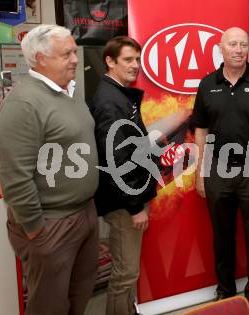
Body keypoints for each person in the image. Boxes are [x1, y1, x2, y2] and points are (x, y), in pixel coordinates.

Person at [0, 25, 99, 315]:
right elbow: (15, 177)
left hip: (83, 214)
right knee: (49, 306)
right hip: (51, 224)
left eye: (74, 52)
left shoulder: (70, 92)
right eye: (67, 54)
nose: (75, 59)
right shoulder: (23, 103)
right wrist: (36, 231)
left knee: (79, 295)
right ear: (40, 59)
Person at [192, 27, 249, 315]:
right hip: (218, 170)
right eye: (233, 44)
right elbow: (201, 131)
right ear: (221, 47)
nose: (238, 49)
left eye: (243, 44)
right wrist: (200, 172)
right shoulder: (207, 85)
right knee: (222, 235)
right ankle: (226, 291)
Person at [89, 36, 157, 315]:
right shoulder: (109, 101)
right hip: (124, 204)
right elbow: (114, 159)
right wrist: (134, 206)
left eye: (137, 59)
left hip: (130, 196)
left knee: (127, 271)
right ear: (110, 61)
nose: (135, 65)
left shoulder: (118, 93)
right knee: (125, 273)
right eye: (128, 60)